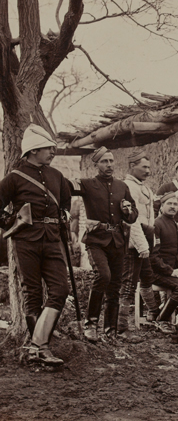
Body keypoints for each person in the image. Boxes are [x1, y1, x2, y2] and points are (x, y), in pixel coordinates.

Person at [0, 125, 71, 366]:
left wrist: (65, 218)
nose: (52, 152)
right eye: (48, 149)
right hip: (26, 241)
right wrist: (11, 221)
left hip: (52, 240)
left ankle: (35, 345)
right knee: (33, 293)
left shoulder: (57, 176)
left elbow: (65, 205)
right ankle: (42, 348)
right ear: (32, 151)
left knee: (61, 289)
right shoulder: (15, 177)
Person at [70, 147, 138, 342]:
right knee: (103, 276)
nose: (109, 165)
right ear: (96, 164)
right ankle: (90, 324)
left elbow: (133, 215)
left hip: (117, 241)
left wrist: (128, 212)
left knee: (115, 285)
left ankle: (111, 330)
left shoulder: (122, 186)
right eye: (104, 161)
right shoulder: (87, 184)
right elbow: (65, 188)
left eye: (111, 161)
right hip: (96, 240)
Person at [119, 150, 159, 340]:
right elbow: (131, 221)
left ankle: (153, 315)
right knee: (128, 284)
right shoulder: (128, 186)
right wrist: (141, 245)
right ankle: (121, 327)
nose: (148, 171)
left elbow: (149, 217)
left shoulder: (142, 187)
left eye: (149, 167)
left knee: (147, 278)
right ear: (132, 166)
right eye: (144, 167)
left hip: (145, 240)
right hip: (132, 243)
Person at [150, 192, 178, 335]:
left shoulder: (174, 224)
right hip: (155, 272)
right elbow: (153, 257)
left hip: (169, 270)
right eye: (169, 204)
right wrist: (170, 271)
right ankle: (162, 320)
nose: (173, 207)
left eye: (175, 204)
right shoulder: (157, 224)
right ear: (162, 206)